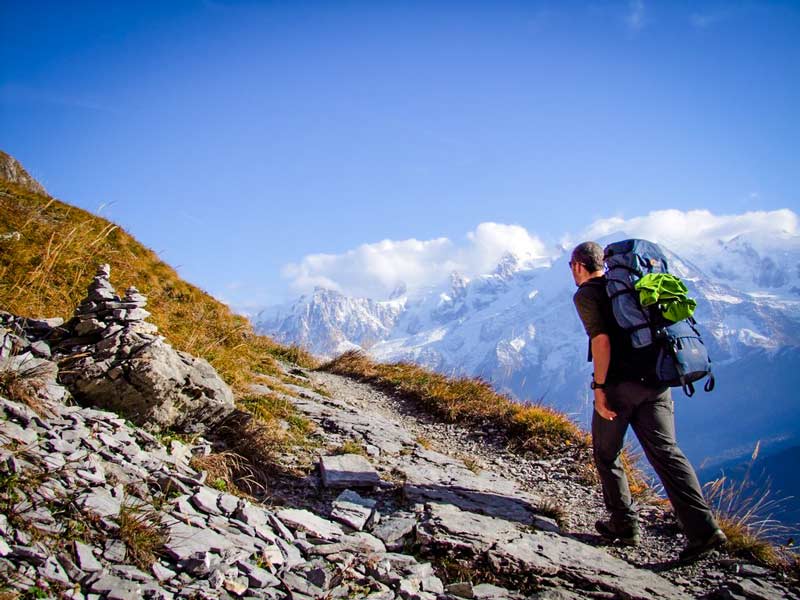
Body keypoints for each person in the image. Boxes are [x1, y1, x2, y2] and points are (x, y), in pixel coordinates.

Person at [569, 241, 727, 563]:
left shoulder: (587, 294)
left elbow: (601, 342)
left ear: (577, 265)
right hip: (656, 382)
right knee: (667, 454)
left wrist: (600, 388)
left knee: (606, 454)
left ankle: (624, 526)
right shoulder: (635, 286)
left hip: (619, 387)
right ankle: (704, 530)